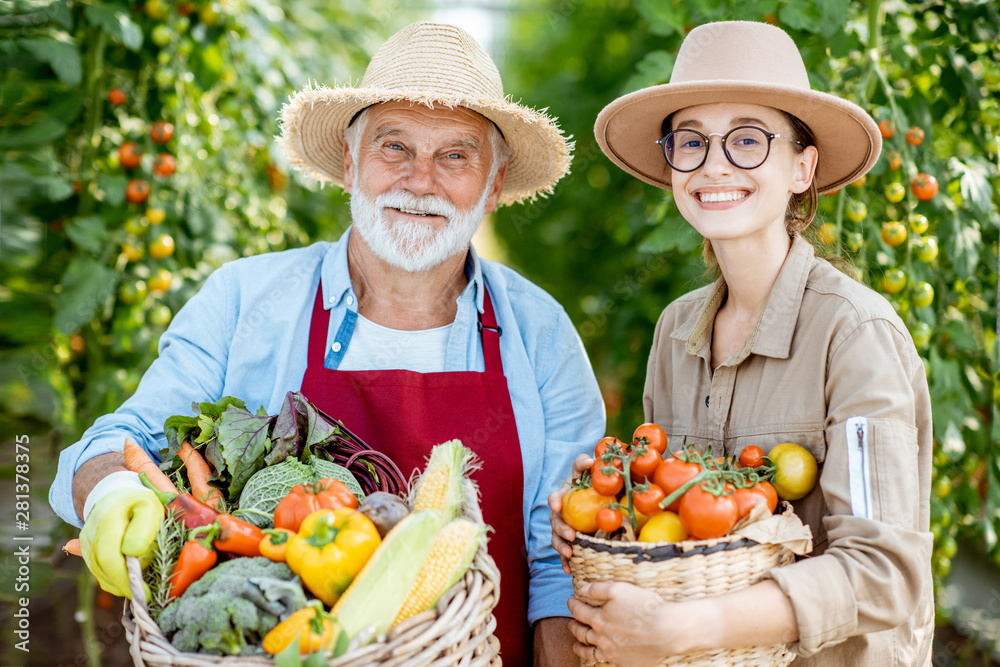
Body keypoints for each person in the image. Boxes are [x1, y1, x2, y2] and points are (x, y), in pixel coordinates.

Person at [50, 21, 604, 665]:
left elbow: (563, 561)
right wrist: (112, 491)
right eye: (394, 147)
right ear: (349, 160)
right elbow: (113, 444)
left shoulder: (540, 332)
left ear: (494, 184)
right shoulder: (243, 301)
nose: (420, 180)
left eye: (455, 155)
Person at [548, 20, 933, 666]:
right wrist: (599, 512)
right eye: (691, 141)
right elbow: (676, 513)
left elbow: (883, 572)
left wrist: (686, 627)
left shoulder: (854, 335)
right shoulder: (676, 332)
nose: (715, 164)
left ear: (802, 167)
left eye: (748, 140)